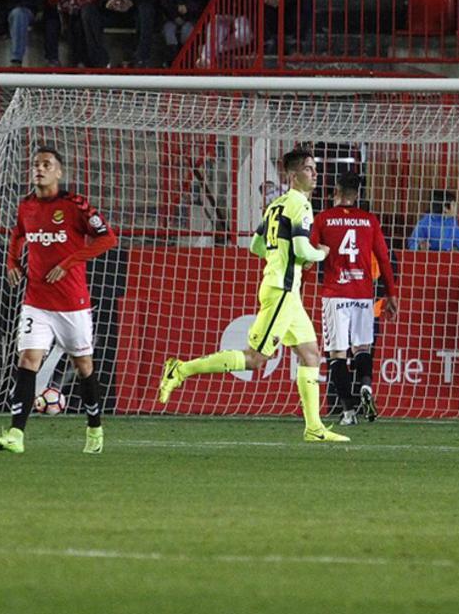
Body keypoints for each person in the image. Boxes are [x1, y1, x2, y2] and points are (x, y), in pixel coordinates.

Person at [158, 149, 349, 443]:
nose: (315, 174)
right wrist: (320, 253)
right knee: (255, 359)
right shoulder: (300, 205)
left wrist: (283, 257)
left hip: (287, 291)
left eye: (314, 169)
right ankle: (181, 369)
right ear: (293, 175)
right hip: (282, 291)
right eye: (309, 169)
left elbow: (256, 246)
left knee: (311, 353)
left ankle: (314, 428)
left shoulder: (276, 206)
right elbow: (302, 250)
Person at [0, 147, 118, 455]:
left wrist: (69, 262)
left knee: (83, 365)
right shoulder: (26, 206)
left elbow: (108, 238)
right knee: (27, 360)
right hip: (36, 300)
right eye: (35, 164)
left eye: (46, 165)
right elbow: (18, 234)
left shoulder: (74, 205)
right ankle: (16, 434)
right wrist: (12, 262)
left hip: (73, 303)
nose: (39, 169)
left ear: (59, 172)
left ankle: (94, 428)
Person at [309, 172, 399, 426]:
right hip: (363, 295)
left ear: (335, 191)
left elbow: (309, 254)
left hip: (335, 294)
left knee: (337, 353)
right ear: (357, 194)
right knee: (362, 348)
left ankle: (349, 411)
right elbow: (383, 259)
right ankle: (366, 385)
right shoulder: (369, 221)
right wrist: (391, 293)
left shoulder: (323, 219)